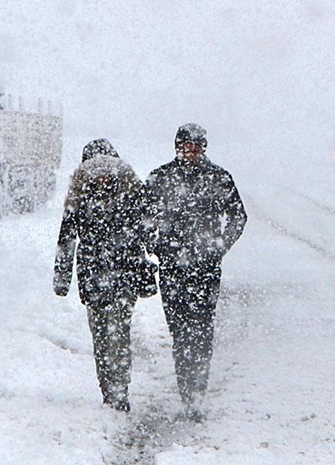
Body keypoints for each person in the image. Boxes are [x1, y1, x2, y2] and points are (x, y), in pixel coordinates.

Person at [143, 123, 248, 420]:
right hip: (172, 268)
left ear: (204, 149)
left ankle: (197, 393)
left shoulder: (218, 177)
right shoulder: (160, 177)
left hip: (206, 268)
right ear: (177, 147)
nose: (191, 153)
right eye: (185, 147)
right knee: (179, 331)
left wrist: (219, 247)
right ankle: (185, 389)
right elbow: (143, 217)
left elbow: (238, 216)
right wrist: (156, 245)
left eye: (196, 148)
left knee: (202, 330)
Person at [54, 138, 153, 413]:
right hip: (92, 276)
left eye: (106, 169)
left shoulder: (131, 193)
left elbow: (148, 229)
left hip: (124, 274)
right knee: (100, 337)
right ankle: (108, 390)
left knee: (118, 332)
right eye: (95, 170)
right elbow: (66, 239)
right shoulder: (78, 198)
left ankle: (119, 390)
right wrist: (61, 278)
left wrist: (160, 252)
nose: (101, 175)